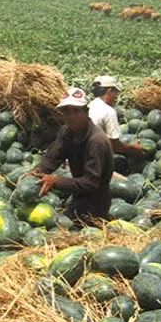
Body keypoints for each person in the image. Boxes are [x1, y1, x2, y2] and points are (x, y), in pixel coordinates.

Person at [32, 87, 114, 225]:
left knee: (70, 230)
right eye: (66, 111)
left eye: (76, 111)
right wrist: (38, 171)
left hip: (96, 203)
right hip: (77, 195)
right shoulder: (66, 131)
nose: (70, 116)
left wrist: (56, 181)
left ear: (86, 112)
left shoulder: (97, 141)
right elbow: (53, 157)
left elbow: (91, 182)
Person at [89, 75, 145, 157]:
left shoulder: (90, 106)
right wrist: (133, 149)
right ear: (110, 91)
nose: (116, 97)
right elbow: (114, 146)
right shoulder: (108, 111)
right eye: (116, 93)